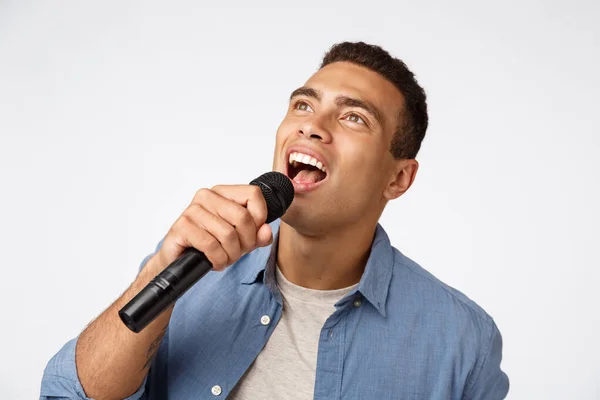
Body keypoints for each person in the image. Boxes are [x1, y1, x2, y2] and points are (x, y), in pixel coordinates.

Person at [40, 41, 509, 400]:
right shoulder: (189, 270)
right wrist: (157, 274)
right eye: (303, 105)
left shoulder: (462, 340)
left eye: (353, 118)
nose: (311, 125)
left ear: (398, 178)